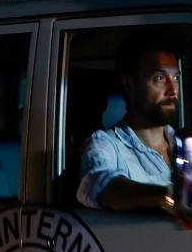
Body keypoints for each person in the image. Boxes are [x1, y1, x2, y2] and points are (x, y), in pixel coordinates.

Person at [77, 31, 180, 210]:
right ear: (128, 85)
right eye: (160, 78)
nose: (172, 90)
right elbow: (103, 187)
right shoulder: (105, 144)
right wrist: (172, 198)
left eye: (176, 78)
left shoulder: (184, 143)